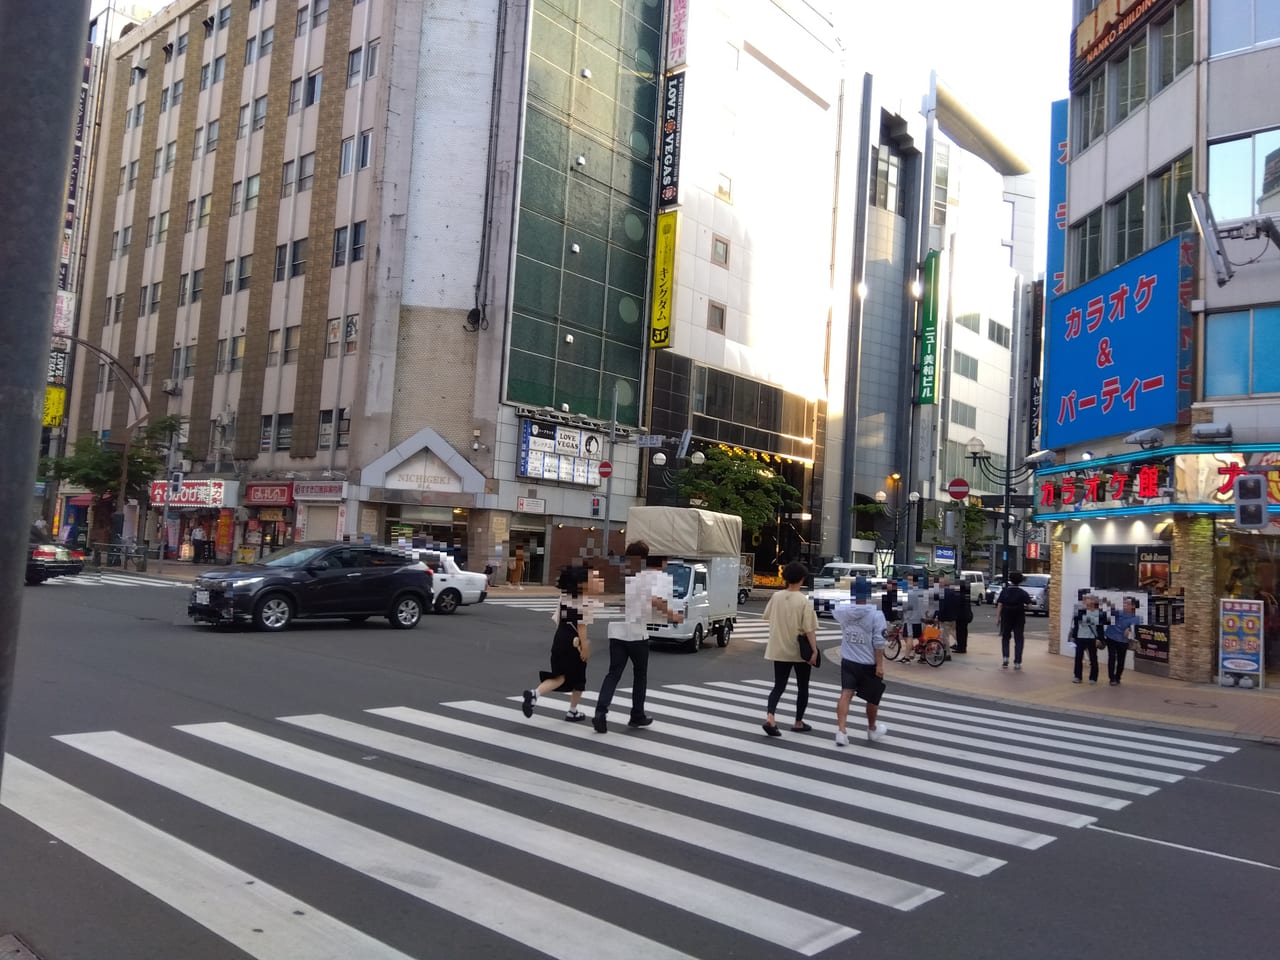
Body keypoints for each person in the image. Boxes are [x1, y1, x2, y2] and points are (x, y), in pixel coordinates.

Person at [593, 541, 683, 734]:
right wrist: (673, 615)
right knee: (639, 675)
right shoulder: (650, 576)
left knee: (613, 674)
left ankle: (600, 712)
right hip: (637, 632)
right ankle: (636, 715)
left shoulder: (622, 572)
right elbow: (655, 600)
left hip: (616, 631)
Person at [522, 564, 603, 721]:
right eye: (593, 578)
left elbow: (559, 619)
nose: (596, 581)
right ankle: (572, 711)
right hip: (574, 642)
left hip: (560, 637)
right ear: (582, 583)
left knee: (559, 676)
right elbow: (581, 626)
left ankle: (534, 694)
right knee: (579, 678)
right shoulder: (584, 601)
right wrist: (584, 647)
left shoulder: (565, 597)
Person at [760, 560, 819, 736]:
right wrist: (814, 650)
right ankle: (798, 722)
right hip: (799, 650)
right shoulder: (804, 601)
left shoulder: (776, 597)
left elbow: (767, 617)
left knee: (779, 685)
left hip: (779, 647)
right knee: (803, 687)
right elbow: (809, 629)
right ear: (802, 579)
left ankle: (770, 717)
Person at [833, 577, 889, 745]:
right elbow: (879, 642)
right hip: (868, 662)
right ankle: (871, 729)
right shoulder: (876, 614)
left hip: (848, 659)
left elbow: (836, 613)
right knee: (872, 698)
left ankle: (841, 731)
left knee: (846, 693)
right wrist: (880, 664)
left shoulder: (843, 611)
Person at [995, 571, 1032, 670]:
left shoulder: (1005, 591)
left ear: (1010, 580)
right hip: (1019, 617)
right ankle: (1017, 662)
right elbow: (1029, 606)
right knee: (1019, 639)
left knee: (1005, 637)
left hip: (1006, 616)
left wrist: (998, 617)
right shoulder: (1023, 593)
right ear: (1020, 581)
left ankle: (1005, 658)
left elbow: (1000, 604)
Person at [1104, 595, 1142, 686]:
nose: (1125, 605)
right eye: (1124, 603)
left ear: (1133, 606)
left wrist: (1129, 630)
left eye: (1127, 604)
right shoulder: (1118, 613)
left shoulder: (1136, 618)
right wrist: (1108, 605)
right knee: (1112, 657)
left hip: (1123, 641)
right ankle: (1112, 678)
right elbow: (1108, 618)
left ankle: (1118, 677)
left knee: (1121, 660)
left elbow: (1134, 632)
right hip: (1111, 637)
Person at [1071, 594, 1106, 684]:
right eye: (1085, 599)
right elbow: (1077, 621)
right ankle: (1077, 676)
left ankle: (1093, 678)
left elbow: (1100, 627)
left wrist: (1099, 638)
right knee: (1078, 658)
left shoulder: (1099, 612)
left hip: (1092, 638)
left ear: (1094, 601)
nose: (1086, 601)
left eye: (1089, 599)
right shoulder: (1079, 611)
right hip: (1080, 637)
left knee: (1093, 658)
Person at [901, 575, 927, 663]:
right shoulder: (922, 592)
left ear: (913, 582)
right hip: (922, 619)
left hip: (911, 619)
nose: (908, 582)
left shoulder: (909, 593)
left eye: (910, 580)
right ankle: (923, 657)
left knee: (910, 637)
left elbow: (906, 607)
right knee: (921, 637)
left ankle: (907, 657)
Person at [951, 582, 972, 654]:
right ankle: (963, 647)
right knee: (964, 632)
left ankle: (960, 647)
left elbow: (956, 606)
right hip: (966, 616)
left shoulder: (959, 596)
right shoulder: (966, 595)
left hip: (960, 617)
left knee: (960, 632)